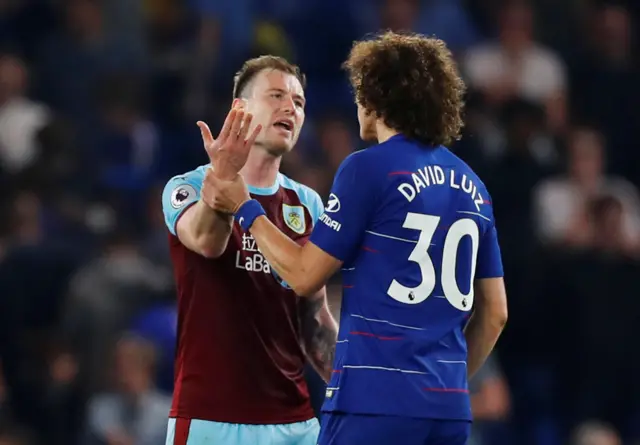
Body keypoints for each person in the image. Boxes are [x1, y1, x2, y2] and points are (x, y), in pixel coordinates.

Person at [203, 32, 508, 445]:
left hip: (373, 405)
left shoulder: (367, 168)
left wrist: (245, 207)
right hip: (448, 409)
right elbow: (495, 314)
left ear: (378, 96)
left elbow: (303, 276)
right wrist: (439, 386)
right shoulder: (475, 186)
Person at [161, 55, 338, 445]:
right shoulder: (187, 186)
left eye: (299, 102)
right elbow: (207, 242)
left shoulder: (308, 204)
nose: (290, 107)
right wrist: (224, 177)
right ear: (239, 109)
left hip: (296, 424)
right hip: (210, 419)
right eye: (276, 95)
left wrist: (361, 389)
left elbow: (314, 317)